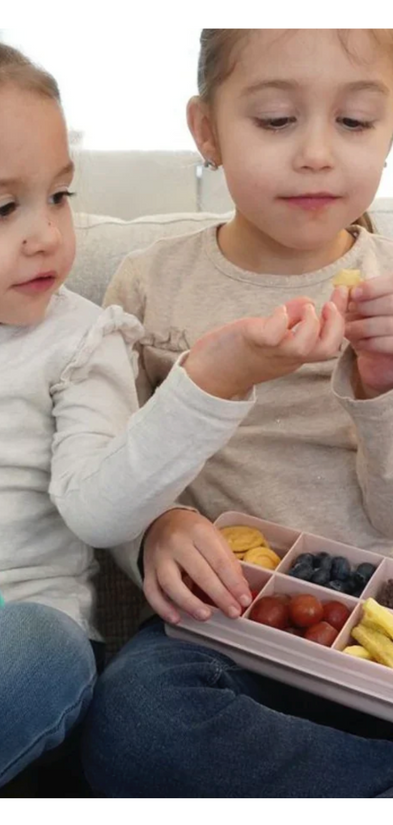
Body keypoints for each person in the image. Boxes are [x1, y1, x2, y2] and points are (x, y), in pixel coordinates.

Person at [0, 29, 339, 797]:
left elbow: (102, 507)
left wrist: (211, 379)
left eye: (60, 195)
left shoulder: (81, 338)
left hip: (3, 684)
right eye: (4, 208)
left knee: (44, 647)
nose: (47, 233)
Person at [82, 28, 393, 798]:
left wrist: (383, 386)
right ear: (207, 131)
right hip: (228, 629)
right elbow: (105, 465)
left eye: (355, 122)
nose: (318, 153)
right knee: (136, 721)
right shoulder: (147, 284)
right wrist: (157, 526)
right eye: (277, 120)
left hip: (380, 622)